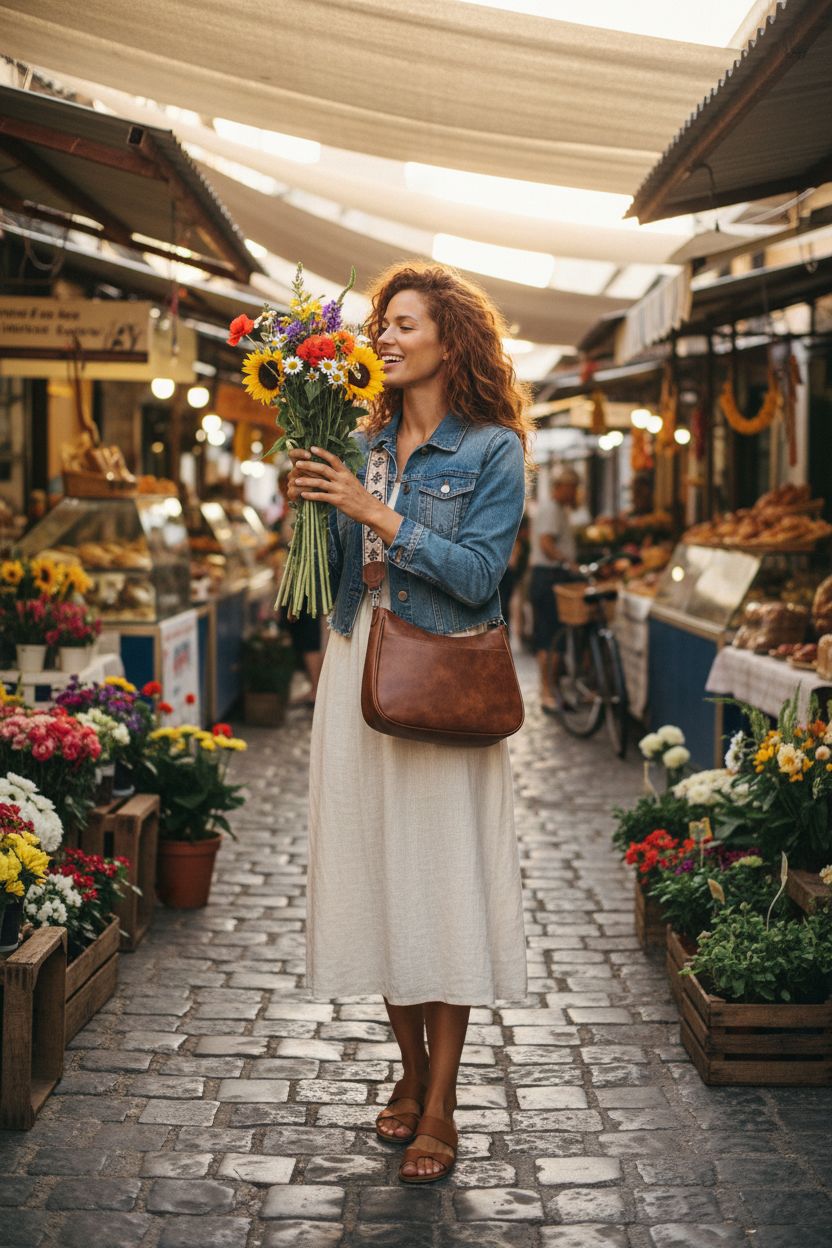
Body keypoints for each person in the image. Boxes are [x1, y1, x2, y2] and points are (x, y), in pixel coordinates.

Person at [286, 261, 531, 1185]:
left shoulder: (493, 449)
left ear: (450, 339)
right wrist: (317, 507)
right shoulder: (360, 439)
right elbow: (339, 558)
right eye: (381, 325)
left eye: (404, 324)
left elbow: (477, 575)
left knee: (441, 882)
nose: (382, 338)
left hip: (442, 672)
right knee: (379, 872)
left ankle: (441, 1103)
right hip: (358, 666)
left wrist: (374, 512)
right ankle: (411, 1068)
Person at [528, 465, 579, 713]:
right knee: (550, 639)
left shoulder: (557, 509)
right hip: (548, 577)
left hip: (550, 576)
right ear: (562, 487)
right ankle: (547, 692)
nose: (576, 493)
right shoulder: (551, 510)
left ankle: (552, 691)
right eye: (573, 488)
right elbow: (546, 543)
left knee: (553, 638)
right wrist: (567, 562)